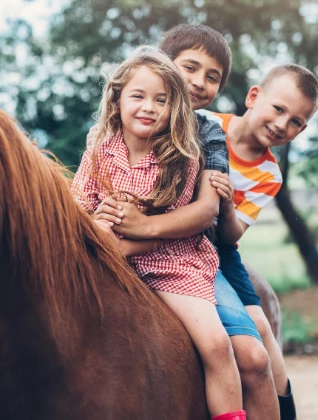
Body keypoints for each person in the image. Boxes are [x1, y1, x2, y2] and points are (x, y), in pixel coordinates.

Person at [96, 25, 318, 420]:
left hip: (206, 249)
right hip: (148, 235)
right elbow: (97, 175)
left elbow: (213, 222)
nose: (198, 82)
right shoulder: (133, 121)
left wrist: (145, 228)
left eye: (211, 76)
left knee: (256, 343)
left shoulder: (207, 132)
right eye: (190, 69)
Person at [73, 45, 246, 420]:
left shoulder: (181, 156)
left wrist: (122, 242)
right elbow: (80, 204)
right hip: (107, 254)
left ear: (175, 109)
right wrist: (96, 224)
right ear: (117, 99)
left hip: (171, 263)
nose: (149, 107)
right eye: (138, 96)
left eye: (161, 100)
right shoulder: (99, 151)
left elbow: (180, 221)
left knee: (217, 344)